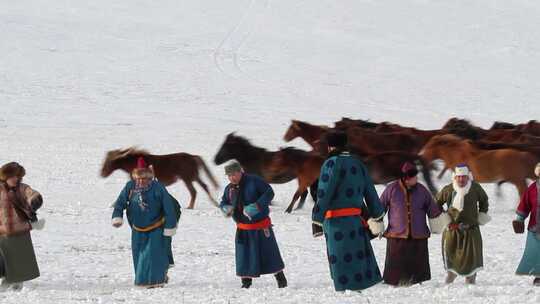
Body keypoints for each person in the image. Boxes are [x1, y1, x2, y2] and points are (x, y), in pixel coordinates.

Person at [312, 131, 385, 292]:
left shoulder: (331, 163)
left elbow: (324, 193)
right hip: (355, 222)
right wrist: (378, 216)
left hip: (336, 223)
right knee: (356, 261)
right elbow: (370, 192)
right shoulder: (358, 163)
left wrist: (316, 219)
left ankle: (344, 295)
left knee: (341, 264)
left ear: (330, 147)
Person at [380, 162, 450, 286]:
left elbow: (432, 208)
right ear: (406, 178)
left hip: (418, 234)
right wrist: (377, 223)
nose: (417, 179)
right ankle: (394, 281)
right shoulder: (391, 189)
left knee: (417, 261)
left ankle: (417, 280)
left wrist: (441, 219)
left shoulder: (422, 190)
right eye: (414, 177)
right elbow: (380, 208)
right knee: (396, 262)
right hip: (397, 234)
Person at [219, 160, 287, 289]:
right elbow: (223, 202)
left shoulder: (254, 181)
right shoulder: (229, 189)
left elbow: (269, 193)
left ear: (240, 172)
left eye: (234, 174)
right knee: (244, 255)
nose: (231, 178)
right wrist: (226, 208)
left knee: (269, 253)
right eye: (229, 175)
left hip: (261, 227)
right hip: (242, 229)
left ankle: (280, 278)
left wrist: (256, 206)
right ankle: (246, 282)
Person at [111, 157, 177, 288]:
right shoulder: (130, 187)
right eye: (139, 178)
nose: (141, 181)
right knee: (139, 254)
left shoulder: (158, 188)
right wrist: (117, 217)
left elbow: (169, 207)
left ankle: (153, 281)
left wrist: (170, 226)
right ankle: (144, 278)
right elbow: (120, 203)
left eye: (144, 178)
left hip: (156, 227)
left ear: (149, 177)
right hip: (137, 228)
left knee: (153, 254)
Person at [436, 163, 491, 284]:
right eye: (459, 176)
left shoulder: (475, 188)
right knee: (452, 256)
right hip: (453, 230)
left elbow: (484, 201)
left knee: (472, 258)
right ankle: (451, 277)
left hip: (471, 230)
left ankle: (470, 279)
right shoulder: (449, 189)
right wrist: (446, 219)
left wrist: (481, 215)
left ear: (468, 176)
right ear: (455, 177)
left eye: (464, 176)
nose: (461, 179)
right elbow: (436, 203)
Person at [0, 162, 45, 291]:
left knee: (19, 256)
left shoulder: (22, 188)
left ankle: (16, 280)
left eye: (18, 176)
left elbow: (32, 194)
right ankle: (7, 278)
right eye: (12, 176)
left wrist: (35, 200)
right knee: (4, 256)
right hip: (2, 230)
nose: (15, 179)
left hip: (20, 229)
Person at [513, 162, 540, 286]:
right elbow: (525, 205)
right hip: (535, 228)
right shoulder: (532, 189)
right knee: (536, 252)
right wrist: (519, 219)